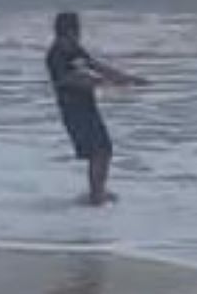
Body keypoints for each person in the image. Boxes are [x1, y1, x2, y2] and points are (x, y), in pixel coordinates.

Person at [47, 11, 147, 205]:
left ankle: (97, 191)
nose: (78, 36)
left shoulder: (74, 49)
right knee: (99, 151)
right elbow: (67, 79)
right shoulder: (56, 54)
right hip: (73, 110)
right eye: (76, 32)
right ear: (69, 32)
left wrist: (126, 78)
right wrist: (103, 83)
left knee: (104, 149)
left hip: (87, 107)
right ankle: (96, 195)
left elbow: (96, 66)